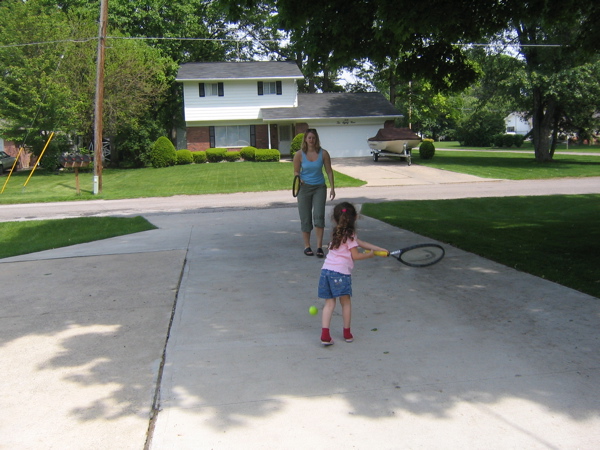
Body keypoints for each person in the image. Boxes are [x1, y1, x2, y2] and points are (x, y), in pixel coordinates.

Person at [317, 202, 388, 346]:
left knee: (329, 304)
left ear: (335, 218)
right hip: (340, 274)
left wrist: (379, 249)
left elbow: (360, 242)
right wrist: (369, 255)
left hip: (326, 272)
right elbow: (355, 255)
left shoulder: (337, 233)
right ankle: (347, 333)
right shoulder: (350, 235)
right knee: (346, 303)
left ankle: (325, 335)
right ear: (355, 217)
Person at [293, 128, 335, 258]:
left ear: (316, 139)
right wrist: (298, 181)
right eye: (309, 137)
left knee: (319, 216)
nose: (311, 140)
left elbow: (329, 171)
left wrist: (332, 187)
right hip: (304, 188)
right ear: (305, 139)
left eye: (313, 138)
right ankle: (307, 246)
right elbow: (296, 172)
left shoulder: (323, 154)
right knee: (305, 217)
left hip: (319, 188)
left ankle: (319, 247)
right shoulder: (299, 154)